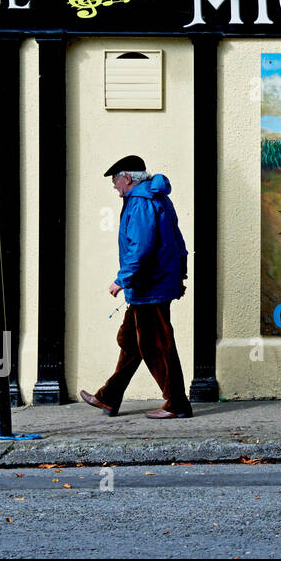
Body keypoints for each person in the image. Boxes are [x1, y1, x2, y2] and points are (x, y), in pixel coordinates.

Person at [80, 155, 193, 419]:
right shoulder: (155, 198)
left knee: (158, 345)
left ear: (127, 178)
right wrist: (180, 275)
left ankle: (177, 404)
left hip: (148, 286)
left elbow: (141, 247)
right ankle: (109, 397)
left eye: (115, 179)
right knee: (131, 341)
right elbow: (177, 238)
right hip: (153, 284)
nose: (113, 185)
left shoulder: (140, 203)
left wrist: (122, 279)